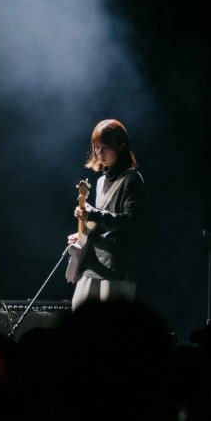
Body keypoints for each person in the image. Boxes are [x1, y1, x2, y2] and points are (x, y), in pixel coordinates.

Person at [69, 119, 145, 310]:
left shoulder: (132, 179)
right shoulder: (102, 181)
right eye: (95, 148)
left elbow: (132, 221)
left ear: (121, 146)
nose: (99, 153)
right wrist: (84, 232)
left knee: (110, 329)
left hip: (117, 264)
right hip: (93, 261)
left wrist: (93, 214)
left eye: (105, 148)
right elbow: (102, 219)